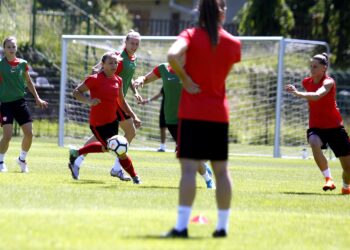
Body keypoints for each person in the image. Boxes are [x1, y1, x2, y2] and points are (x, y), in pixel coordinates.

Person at [164, 0, 241, 238]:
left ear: (200, 11)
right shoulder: (234, 43)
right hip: (219, 113)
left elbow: (172, 55)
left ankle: (181, 227)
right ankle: (222, 228)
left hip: (192, 112)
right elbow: (221, 76)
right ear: (223, 12)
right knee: (221, 171)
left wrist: (186, 80)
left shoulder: (190, 34)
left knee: (188, 170)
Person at [134, 63, 215, 189]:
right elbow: (146, 78)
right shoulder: (163, 69)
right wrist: (140, 79)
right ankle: (207, 177)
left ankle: (207, 177)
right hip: (171, 119)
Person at [75, 30, 143, 179]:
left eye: (137, 44)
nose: (134, 46)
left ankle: (77, 159)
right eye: (132, 43)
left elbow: (126, 78)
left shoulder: (133, 58)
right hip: (115, 103)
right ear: (126, 43)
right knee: (129, 133)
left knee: (102, 139)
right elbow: (100, 72)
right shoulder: (119, 58)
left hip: (119, 100)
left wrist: (135, 91)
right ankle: (116, 168)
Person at [286, 53, 350, 195]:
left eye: (315, 66)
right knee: (314, 142)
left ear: (324, 68)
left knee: (348, 169)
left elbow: (317, 95)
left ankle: (346, 187)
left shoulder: (329, 82)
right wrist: (297, 91)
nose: (312, 69)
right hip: (316, 126)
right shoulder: (306, 82)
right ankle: (329, 179)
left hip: (335, 127)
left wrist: (298, 93)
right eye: (311, 66)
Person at [0, 36, 48, 173]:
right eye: (8, 47)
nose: (11, 49)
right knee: (7, 136)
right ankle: (0, 161)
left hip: (20, 102)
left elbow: (28, 81)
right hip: (6, 104)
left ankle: (21, 159)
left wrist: (37, 98)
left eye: (13, 46)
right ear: (4, 48)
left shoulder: (22, 63)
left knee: (29, 134)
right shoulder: (0, 64)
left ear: (16, 48)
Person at [142, 87, 167, 152]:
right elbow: (159, 94)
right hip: (164, 109)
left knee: (177, 127)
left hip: (176, 109)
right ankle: (162, 146)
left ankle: (178, 146)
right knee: (162, 127)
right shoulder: (166, 83)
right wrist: (148, 100)